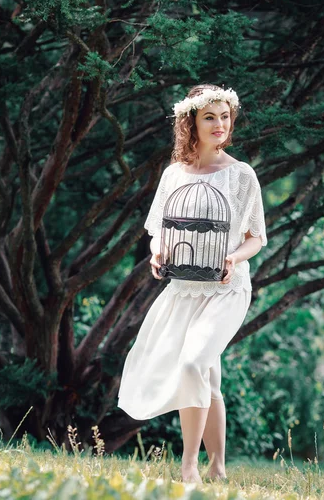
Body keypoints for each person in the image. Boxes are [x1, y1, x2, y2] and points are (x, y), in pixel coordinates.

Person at [117, 84, 267, 483]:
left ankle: (189, 467)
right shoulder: (173, 174)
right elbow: (158, 230)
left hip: (227, 290)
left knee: (193, 362)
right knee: (207, 376)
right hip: (184, 288)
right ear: (191, 123)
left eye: (225, 116)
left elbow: (257, 237)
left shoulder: (241, 175)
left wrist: (233, 258)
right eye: (209, 117)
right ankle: (218, 466)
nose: (220, 124)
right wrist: (157, 251)